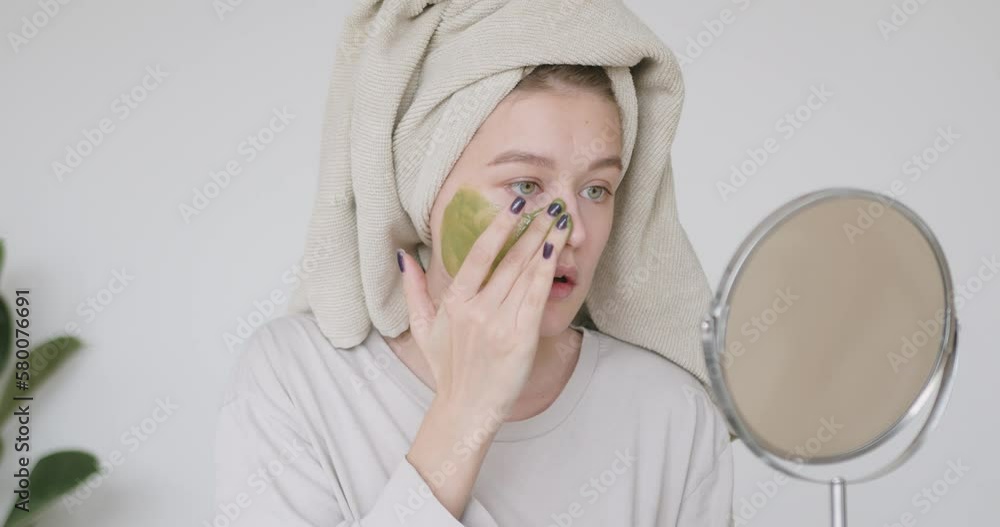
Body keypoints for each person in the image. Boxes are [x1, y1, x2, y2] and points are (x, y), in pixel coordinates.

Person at [212, 2, 734, 527]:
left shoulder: (673, 414)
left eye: (596, 189)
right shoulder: (296, 379)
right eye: (526, 185)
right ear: (427, 190)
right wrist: (465, 412)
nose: (572, 230)